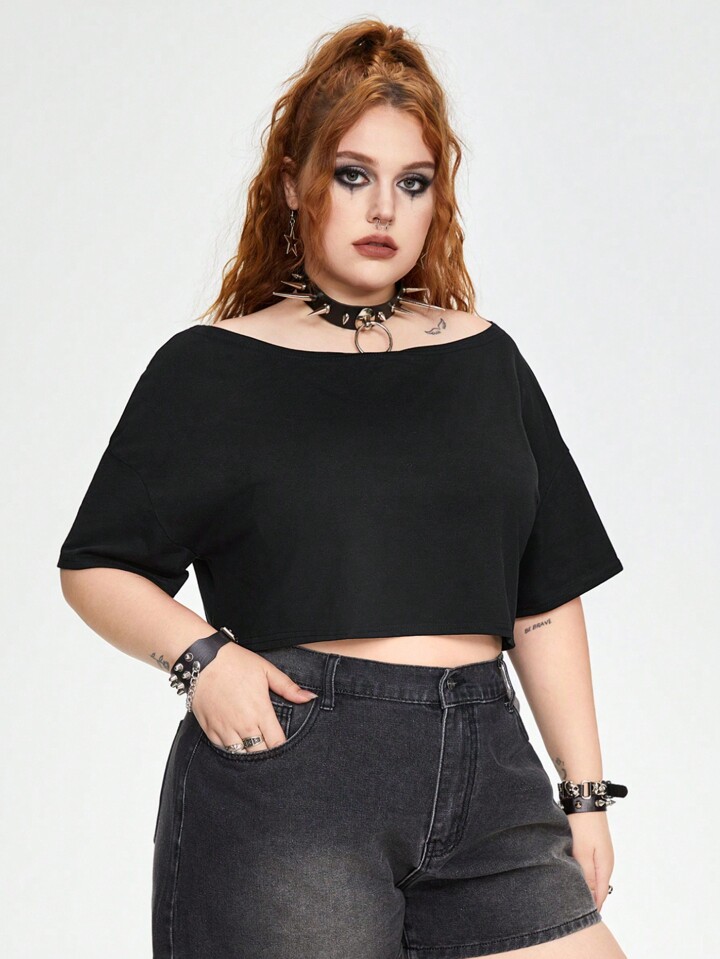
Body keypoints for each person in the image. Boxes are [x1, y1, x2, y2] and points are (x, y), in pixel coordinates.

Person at [57, 18, 629, 959]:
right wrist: (204, 659)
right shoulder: (212, 368)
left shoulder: (485, 358)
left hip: (490, 764)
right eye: (353, 175)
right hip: (297, 773)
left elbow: (544, 593)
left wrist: (585, 793)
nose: (384, 210)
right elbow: (96, 564)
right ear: (294, 184)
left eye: (414, 182)